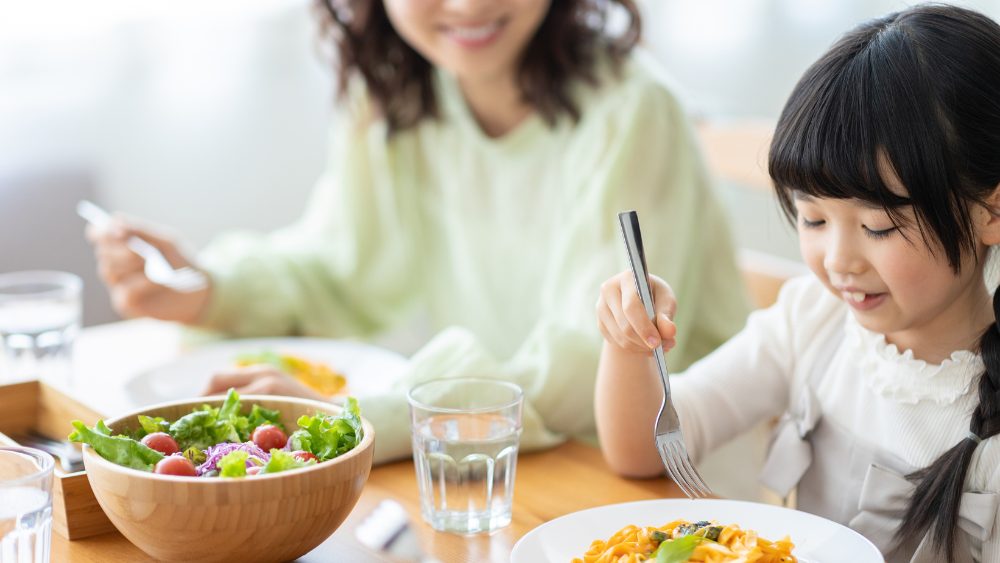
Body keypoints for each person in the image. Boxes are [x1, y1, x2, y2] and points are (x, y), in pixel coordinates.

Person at [88, 0, 750, 464]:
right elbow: (342, 267)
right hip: (491, 459)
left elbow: (582, 369)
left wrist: (357, 419)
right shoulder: (399, 94)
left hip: (659, 480)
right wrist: (208, 290)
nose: (467, 4)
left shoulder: (632, 110)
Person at [595, 5, 1000, 562]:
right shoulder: (814, 319)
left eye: (877, 226)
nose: (838, 260)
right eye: (813, 220)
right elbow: (644, 453)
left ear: (990, 209)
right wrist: (626, 344)